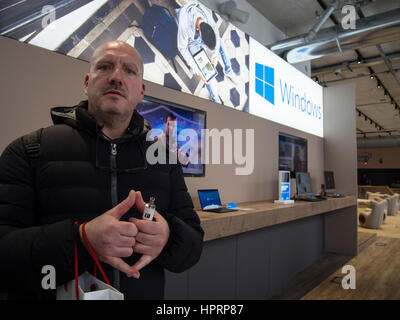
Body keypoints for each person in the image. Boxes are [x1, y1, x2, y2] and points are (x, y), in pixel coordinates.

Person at [0, 40, 204, 300]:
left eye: (129, 70)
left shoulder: (165, 161)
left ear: (141, 92)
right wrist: (80, 240)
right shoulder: (29, 151)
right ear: (87, 82)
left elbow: (194, 247)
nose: (116, 77)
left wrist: (168, 236)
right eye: (105, 67)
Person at [175, 0, 239, 104]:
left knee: (221, 44)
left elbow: (217, 36)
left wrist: (215, 54)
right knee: (206, 71)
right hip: (191, 40)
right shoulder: (185, 25)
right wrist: (198, 71)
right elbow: (182, 48)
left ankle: (229, 70)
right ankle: (215, 99)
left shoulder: (207, 16)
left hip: (197, 29)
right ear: (200, 34)